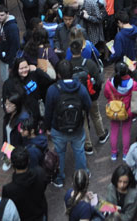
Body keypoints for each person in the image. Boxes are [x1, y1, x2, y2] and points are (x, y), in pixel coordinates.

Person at [44, 59, 91, 188]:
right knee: (79, 151)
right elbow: (88, 105)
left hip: (58, 129)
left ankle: (59, 178)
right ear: (72, 72)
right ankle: (82, 174)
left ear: (58, 74)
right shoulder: (80, 88)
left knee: (59, 153)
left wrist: (47, 127)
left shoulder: (52, 90)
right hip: (77, 127)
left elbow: (48, 111)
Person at [68, 39, 108, 155]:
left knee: (83, 120)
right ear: (81, 49)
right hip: (91, 96)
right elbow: (99, 80)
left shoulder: (68, 65)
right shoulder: (89, 63)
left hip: (77, 98)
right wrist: (95, 93)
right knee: (96, 115)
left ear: (70, 50)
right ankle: (101, 135)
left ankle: (88, 145)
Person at [1, 147, 48, 221]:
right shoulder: (40, 173)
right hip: (40, 215)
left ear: (12, 164)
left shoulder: (8, 189)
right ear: (29, 161)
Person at [104, 61, 137, 160]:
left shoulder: (109, 83)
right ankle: (125, 153)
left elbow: (106, 95)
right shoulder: (134, 84)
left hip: (113, 111)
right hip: (126, 112)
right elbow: (135, 99)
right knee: (126, 132)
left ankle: (114, 153)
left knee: (114, 130)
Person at [2, 57, 53, 123]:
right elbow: (5, 101)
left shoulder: (33, 75)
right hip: (21, 118)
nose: (24, 70)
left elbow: (48, 80)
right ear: (16, 69)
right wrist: (7, 110)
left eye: (26, 67)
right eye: (21, 68)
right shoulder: (9, 84)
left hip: (37, 113)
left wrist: (37, 70)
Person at [0, 5, 21, 82]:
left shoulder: (12, 27)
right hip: (4, 56)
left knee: (8, 80)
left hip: (8, 58)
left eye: (2, 15)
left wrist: (10, 63)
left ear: (7, 14)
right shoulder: (3, 23)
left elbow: (15, 45)